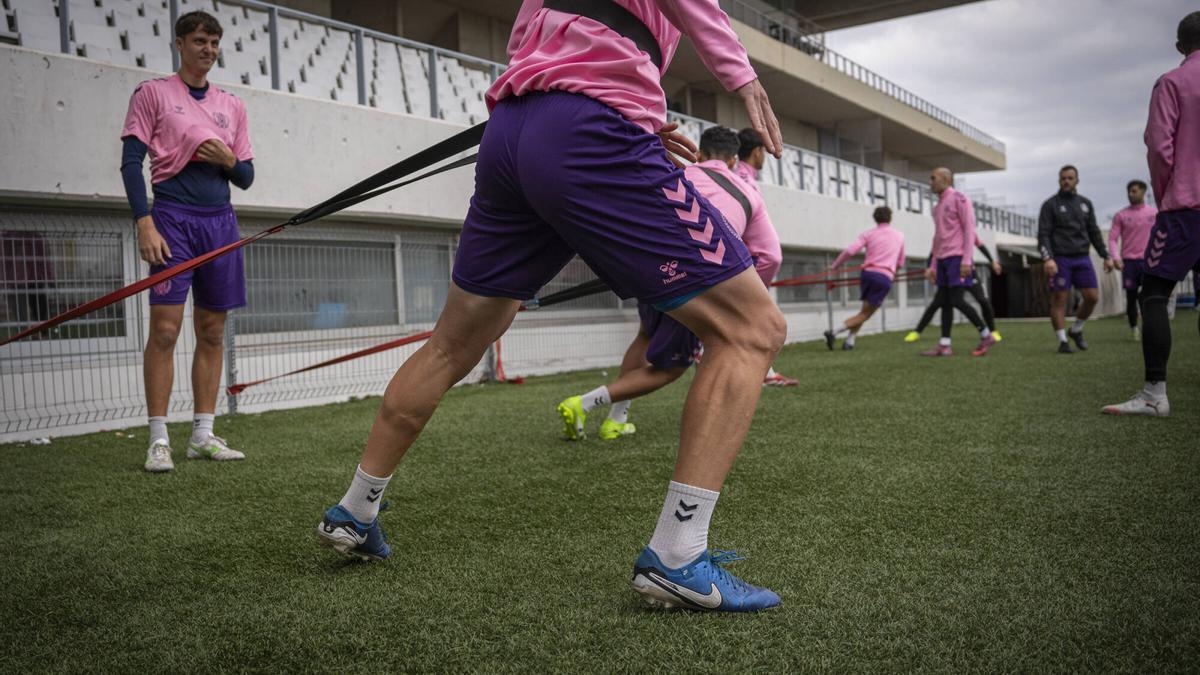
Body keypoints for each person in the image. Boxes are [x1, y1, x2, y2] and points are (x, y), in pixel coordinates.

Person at [316, 0, 790, 613]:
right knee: (753, 330)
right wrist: (741, 76)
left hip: (512, 131)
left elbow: (529, 40)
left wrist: (610, 112)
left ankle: (354, 510)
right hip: (590, 131)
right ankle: (678, 555)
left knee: (451, 345)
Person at [557, 126, 783, 441]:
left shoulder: (677, 175)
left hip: (652, 269)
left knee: (645, 336)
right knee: (671, 368)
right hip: (698, 281)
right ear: (733, 160)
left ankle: (616, 420)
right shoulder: (748, 192)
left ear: (699, 154)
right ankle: (583, 403)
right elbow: (770, 257)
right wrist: (747, 295)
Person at [121, 10, 254, 472]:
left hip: (220, 223)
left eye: (214, 43)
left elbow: (247, 177)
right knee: (164, 330)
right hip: (171, 219)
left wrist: (228, 160)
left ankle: (203, 435)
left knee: (213, 331)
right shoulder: (153, 93)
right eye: (200, 41)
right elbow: (130, 162)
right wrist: (144, 222)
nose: (208, 50)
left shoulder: (231, 105)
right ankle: (158, 438)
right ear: (179, 43)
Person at [1104, 12, 1200, 417]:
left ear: (1179, 46)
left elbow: (1160, 148)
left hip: (1185, 208)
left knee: (1155, 293)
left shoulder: (1172, 82)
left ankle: (1154, 394)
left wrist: (1166, 195)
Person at [732, 126, 796, 385]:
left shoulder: (745, 179)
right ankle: (703, 349)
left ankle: (764, 373)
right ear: (757, 151)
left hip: (756, 263)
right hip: (752, 263)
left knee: (754, 320)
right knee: (763, 320)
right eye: (764, 152)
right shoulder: (742, 180)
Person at [919, 168, 994, 357]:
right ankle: (945, 345)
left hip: (957, 258)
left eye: (933, 178)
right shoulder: (936, 207)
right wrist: (932, 266)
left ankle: (986, 335)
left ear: (945, 179)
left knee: (956, 300)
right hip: (942, 259)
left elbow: (969, 230)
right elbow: (938, 238)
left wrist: (966, 260)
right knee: (945, 302)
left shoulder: (960, 199)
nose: (930, 182)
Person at [1037, 165, 1111, 353]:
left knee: (1092, 297)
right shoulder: (1050, 205)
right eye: (1063, 178)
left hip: (1082, 257)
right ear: (1059, 180)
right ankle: (1063, 341)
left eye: (1070, 178)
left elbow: (1094, 232)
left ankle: (1076, 330)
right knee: (1060, 300)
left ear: (1077, 180)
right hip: (1060, 259)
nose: (1066, 181)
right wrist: (1048, 258)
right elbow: (1043, 234)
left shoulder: (1085, 204)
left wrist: (1105, 255)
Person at [823, 206, 905, 351]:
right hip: (884, 277)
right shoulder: (899, 236)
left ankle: (850, 341)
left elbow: (850, 251)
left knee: (864, 311)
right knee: (866, 314)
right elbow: (901, 263)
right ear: (890, 218)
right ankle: (834, 331)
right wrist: (892, 272)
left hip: (867, 274)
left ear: (875, 218)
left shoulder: (868, 234)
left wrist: (835, 266)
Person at [904, 234, 1004, 344]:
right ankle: (919, 332)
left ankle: (992, 331)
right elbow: (934, 252)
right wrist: (930, 268)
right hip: (952, 275)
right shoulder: (942, 232)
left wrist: (992, 261)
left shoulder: (966, 230)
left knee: (982, 300)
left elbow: (980, 245)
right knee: (939, 302)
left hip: (968, 273)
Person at [1105, 180, 1158, 340]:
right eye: (1129, 191)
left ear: (1143, 192)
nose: (1130, 194)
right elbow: (1112, 239)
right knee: (1131, 297)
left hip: (1150, 261)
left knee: (1149, 296)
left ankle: (1149, 327)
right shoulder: (1121, 215)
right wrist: (1116, 257)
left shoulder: (1154, 213)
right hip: (1129, 263)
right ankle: (1134, 328)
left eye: (1134, 191)